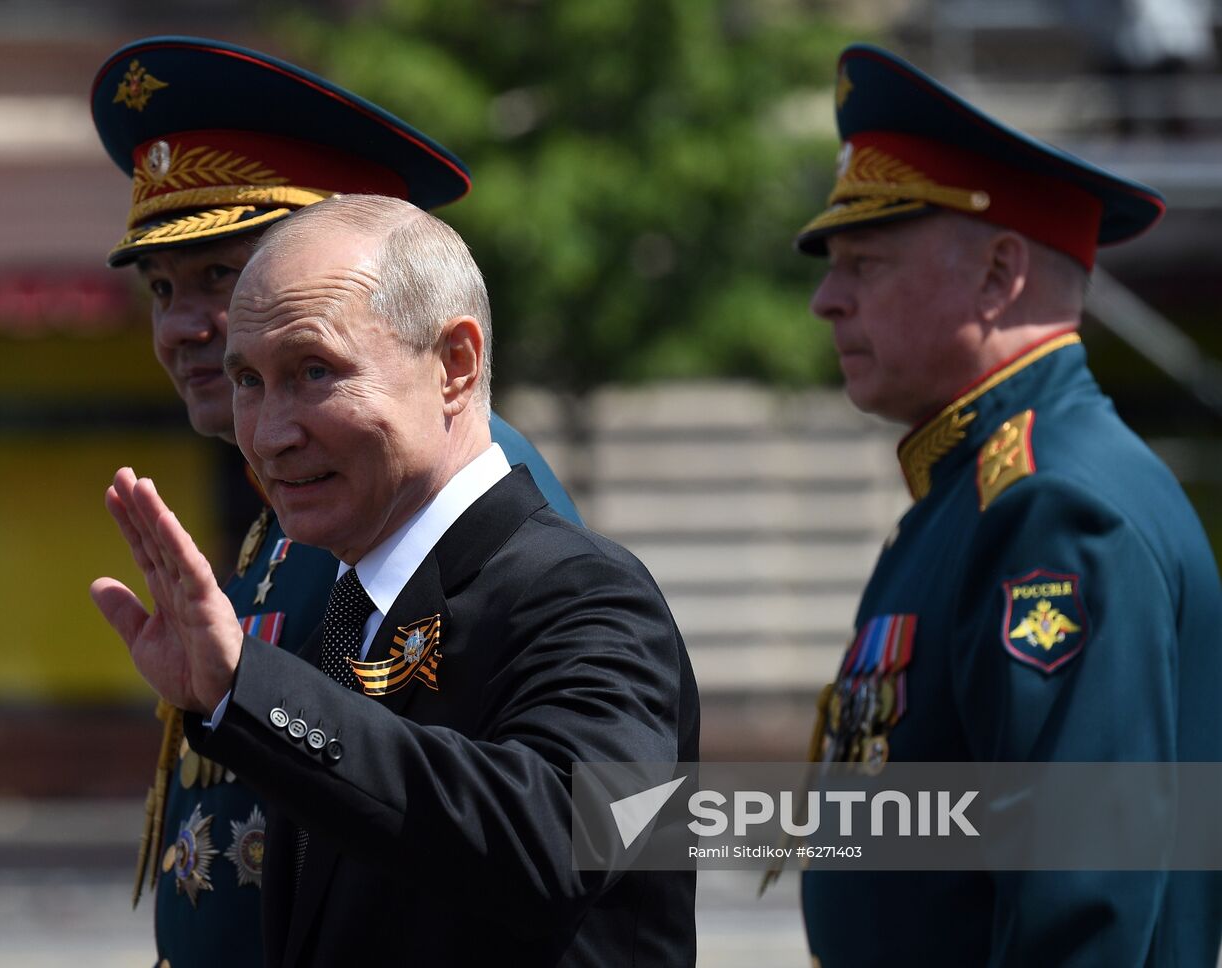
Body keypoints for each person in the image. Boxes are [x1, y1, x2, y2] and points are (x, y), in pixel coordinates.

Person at [91, 193, 700, 966]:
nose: (272, 434)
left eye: (315, 371)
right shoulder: (351, 608)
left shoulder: (583, 591)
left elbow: (561, 840)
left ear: (455, 365)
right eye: (248, 381)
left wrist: (256, 689)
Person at [89, 36, 582, 968]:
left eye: (221, 279)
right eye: (162, 289)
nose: (187, 326)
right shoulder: (290, 511)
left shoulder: (466, 503)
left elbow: (569, 832)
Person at [792, 43, 1222, 967]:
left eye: (865, 263)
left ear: (998, 274)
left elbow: (1084, 908)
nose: (829, 299)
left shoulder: (1054, 509)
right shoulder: (976, 492)